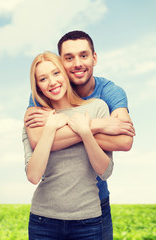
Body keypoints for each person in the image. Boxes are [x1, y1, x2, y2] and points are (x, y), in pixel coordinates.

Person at [24, 30, 135, 240]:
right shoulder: (41, 100)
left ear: (94, 58)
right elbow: (38, 141)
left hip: (94, 203)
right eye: (68, 58)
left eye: (83, 55)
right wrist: (96, 126)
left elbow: (124, 139)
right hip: (46, 215)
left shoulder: (108, 95)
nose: (77, 64)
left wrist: (80, 127)